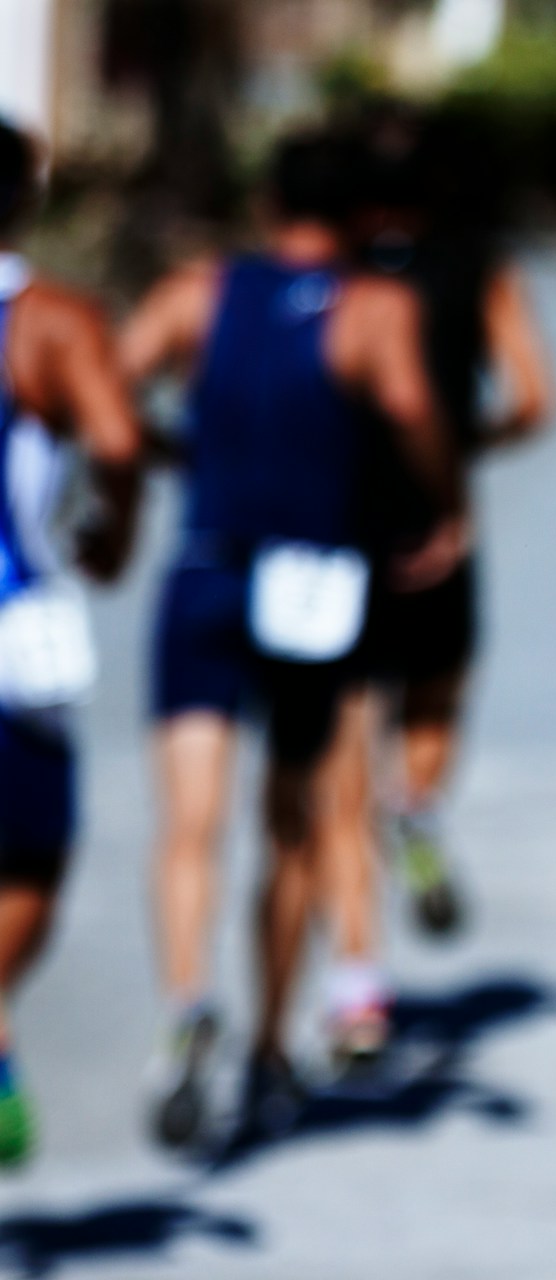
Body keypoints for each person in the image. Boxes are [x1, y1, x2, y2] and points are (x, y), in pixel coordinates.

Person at [121, 129, 463, 1149]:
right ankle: (270, 1041)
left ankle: (188, 1002)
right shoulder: (373, 307)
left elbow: (113, 381)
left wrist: (165, 447)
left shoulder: (197, 292)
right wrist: (437, 506)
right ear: (363, 215)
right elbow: (411, 407)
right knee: (297, 825)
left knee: (189, 820)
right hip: (317, 578)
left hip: (207, 566)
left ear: (269, 200)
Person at [312, 110, 555, 1067]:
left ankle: (358, 992)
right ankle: (416, 805)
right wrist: (461, 449)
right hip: (438, 532)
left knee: (337, 773)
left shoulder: (332, 278)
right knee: (433, 700)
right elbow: (535, 398)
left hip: (331, 535)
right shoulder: (479, 267)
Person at [0, 117, 143, 1169]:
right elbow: (120, 438)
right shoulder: (45, 320)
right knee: (32, 864)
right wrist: (114, 529)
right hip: (15, 633)